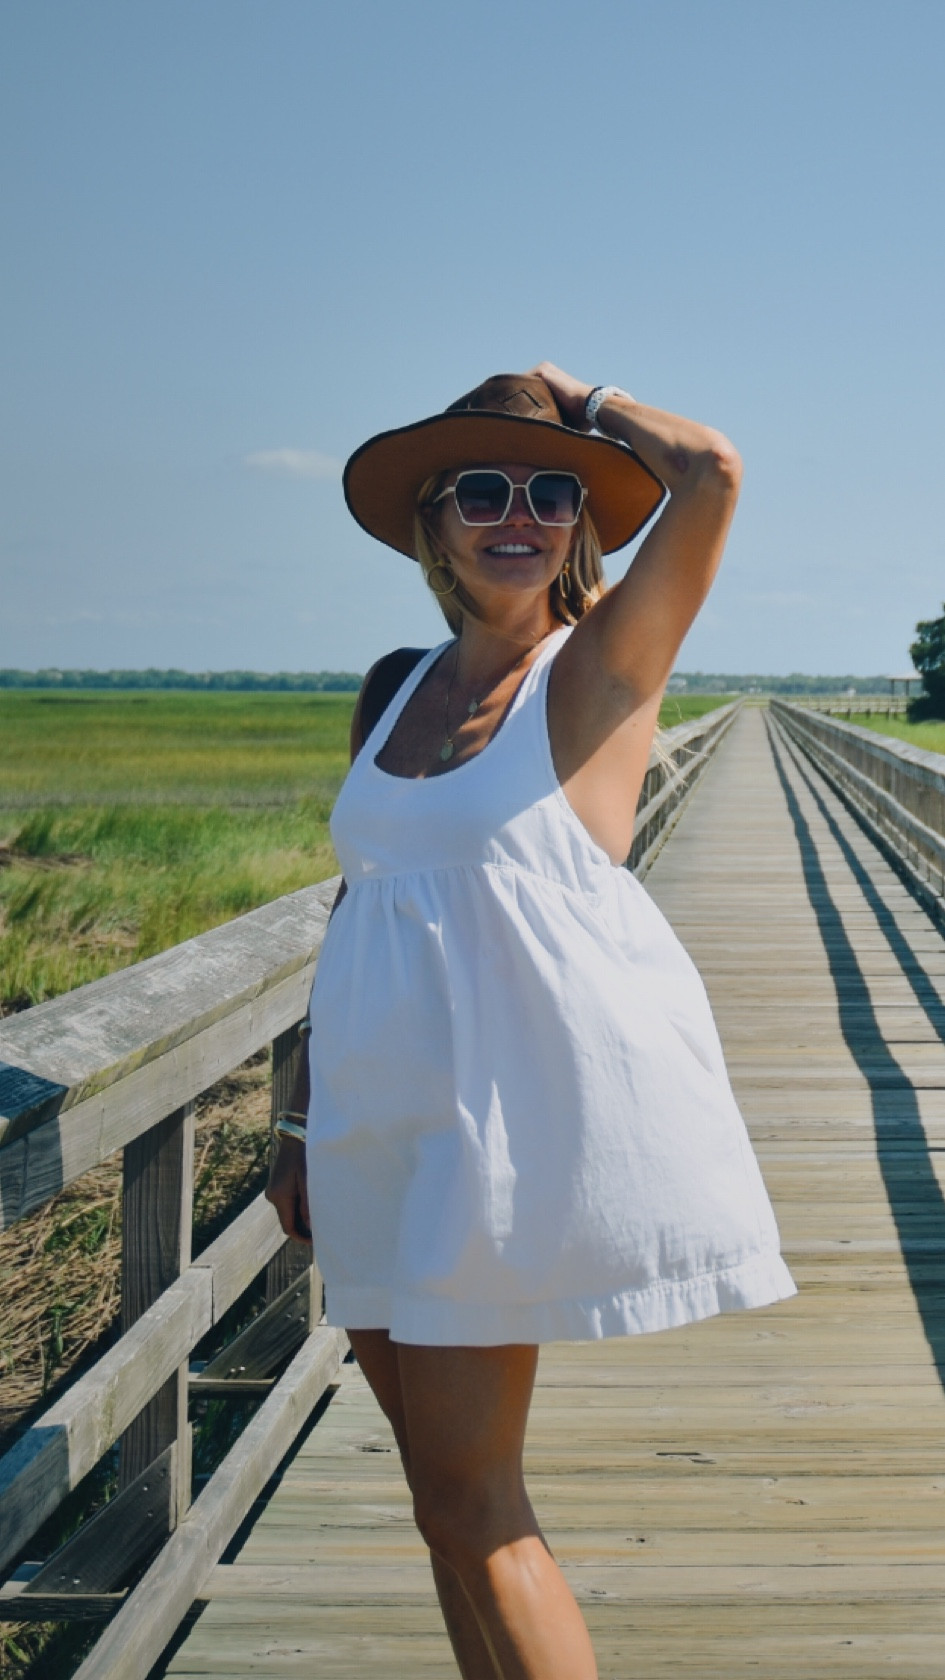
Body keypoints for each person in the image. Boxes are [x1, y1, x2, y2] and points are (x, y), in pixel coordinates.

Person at [266, 364, 796, 1680]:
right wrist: (297, 1114)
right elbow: (360, 903)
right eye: (483, 488)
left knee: (471, 1502)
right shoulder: (393, 684)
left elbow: (711, 474)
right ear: (430, 524)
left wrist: (587, 398)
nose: (521, 512)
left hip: (497, 1127)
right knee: (443, 1510)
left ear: (582, 527)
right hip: (375, 1123)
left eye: (551, 492)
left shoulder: (597, 671)